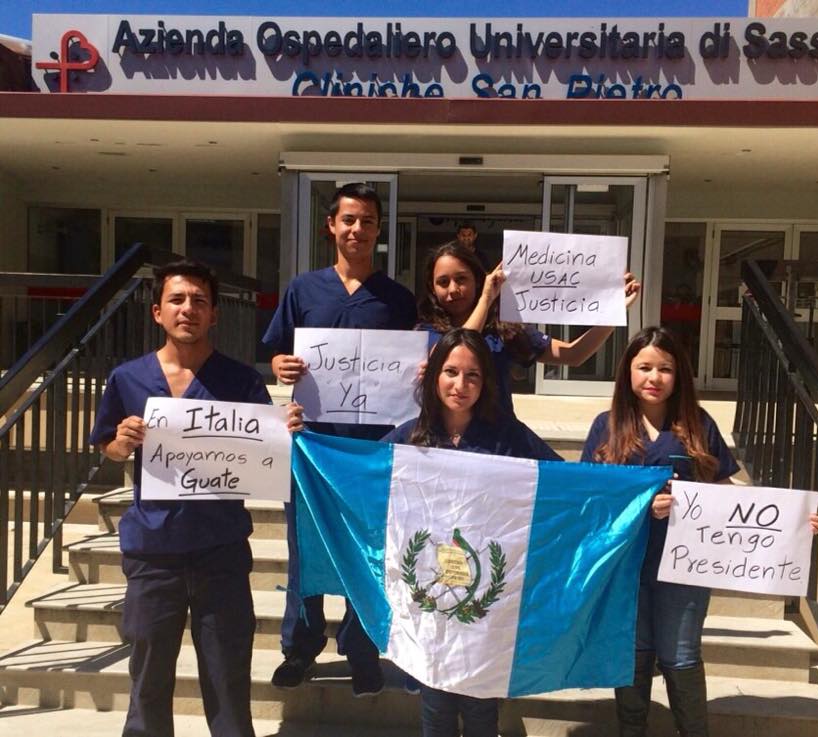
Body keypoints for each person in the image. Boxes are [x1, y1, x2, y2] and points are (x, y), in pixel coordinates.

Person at [89, 260, 304, 737]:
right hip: (153, 553)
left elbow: (263, 455)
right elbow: (107, 445)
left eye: (199, 301)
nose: (188, 309)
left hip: (221, 551)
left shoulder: (240, 381)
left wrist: (282, 432)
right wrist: (122, 442)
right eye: (177, 300)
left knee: (228, 679)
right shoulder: (128, 379)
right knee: (148, 681)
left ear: (214, 316)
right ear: (158, 313)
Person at [580, 326, 818, 737]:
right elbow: (587, 499)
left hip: (685, 569)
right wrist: (641, 507)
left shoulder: (696, 424)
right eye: (644, 367)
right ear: (628, 372)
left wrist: (790, 519)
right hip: (625, 568)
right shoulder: (607, 427)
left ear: (679, 376)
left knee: (681, 655)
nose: (654, 378)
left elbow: (728, 493)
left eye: (665, 369)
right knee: (633, 654)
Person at [262, 182, 417, 694]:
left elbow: (409, 368)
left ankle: (362, 651)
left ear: (378, 229)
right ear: (331, 225)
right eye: (348, 219)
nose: (357, 229)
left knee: (367, 551)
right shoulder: (303, 290)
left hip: (371, 452)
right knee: (307, 550)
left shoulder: (397, 299)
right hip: (311, 446)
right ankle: (300, 649)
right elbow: (277, 353)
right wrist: (279, 365)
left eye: (367, 221)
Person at [381, 328, 562, 737]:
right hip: (429, 598)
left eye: (473, 376)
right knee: (435, 707)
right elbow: (358, 478)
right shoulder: (409, 437)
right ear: (433, 377)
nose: (460, 385)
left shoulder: (508, 435)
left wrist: (635, 491)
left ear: (486, 382)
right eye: (450, 372)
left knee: (482, 710)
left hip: (487, 601)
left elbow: (565, 481)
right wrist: (301, 442)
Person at [417, 241, 640, 414]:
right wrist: (486, 298)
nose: (453, 289)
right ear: (432, 287)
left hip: (500, 444)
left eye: (461, 279)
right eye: (443, 282)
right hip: (446, 444)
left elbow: (573, 354)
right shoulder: (424, 334)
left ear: (477, 279)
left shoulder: (505, 329)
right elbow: (458, 349)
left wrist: (614, 311)